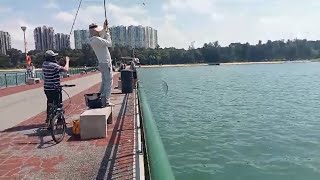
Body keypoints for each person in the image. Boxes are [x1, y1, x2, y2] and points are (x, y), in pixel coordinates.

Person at [89, 18, 114, 106]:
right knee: (109, 82)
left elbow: (101, 36)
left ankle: (101, 98)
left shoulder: (93, 40)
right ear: (95, 31)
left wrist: (104, 28)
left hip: (102, 63)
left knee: (104, 81)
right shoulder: (97, 39)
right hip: (106, 63)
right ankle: (106, 101)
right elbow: (109, 43)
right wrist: (107, 32)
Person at [42, 50, 70, 124]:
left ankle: (48, 118)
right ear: (51, 58)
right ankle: (60, 119)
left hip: (47, 88)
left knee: (50, 102)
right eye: (54, 57)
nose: (55, 58)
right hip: (55, 88)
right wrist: (67, 61)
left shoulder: (44, 64)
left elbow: (54, 66)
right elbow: (65, 70)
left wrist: (58, 62)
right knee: (58, 103)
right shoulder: (54, 65)